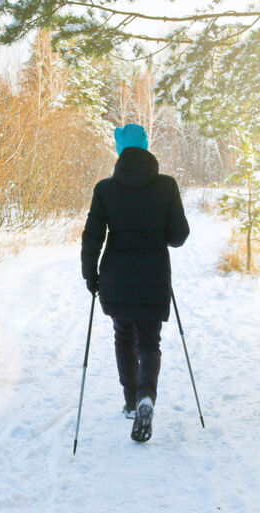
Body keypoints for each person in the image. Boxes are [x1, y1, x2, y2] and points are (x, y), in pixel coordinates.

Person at [81, 123, 190, 443]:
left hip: (116, 277)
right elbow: (179, 236)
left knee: (123, 337)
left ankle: (131, 402)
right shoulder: (166, 186)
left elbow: (92, 236)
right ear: (145, 147)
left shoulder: (105, 189)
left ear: (119, 151)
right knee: (149, 341)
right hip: (154, 277)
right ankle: (146, 397)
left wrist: (90, 274)